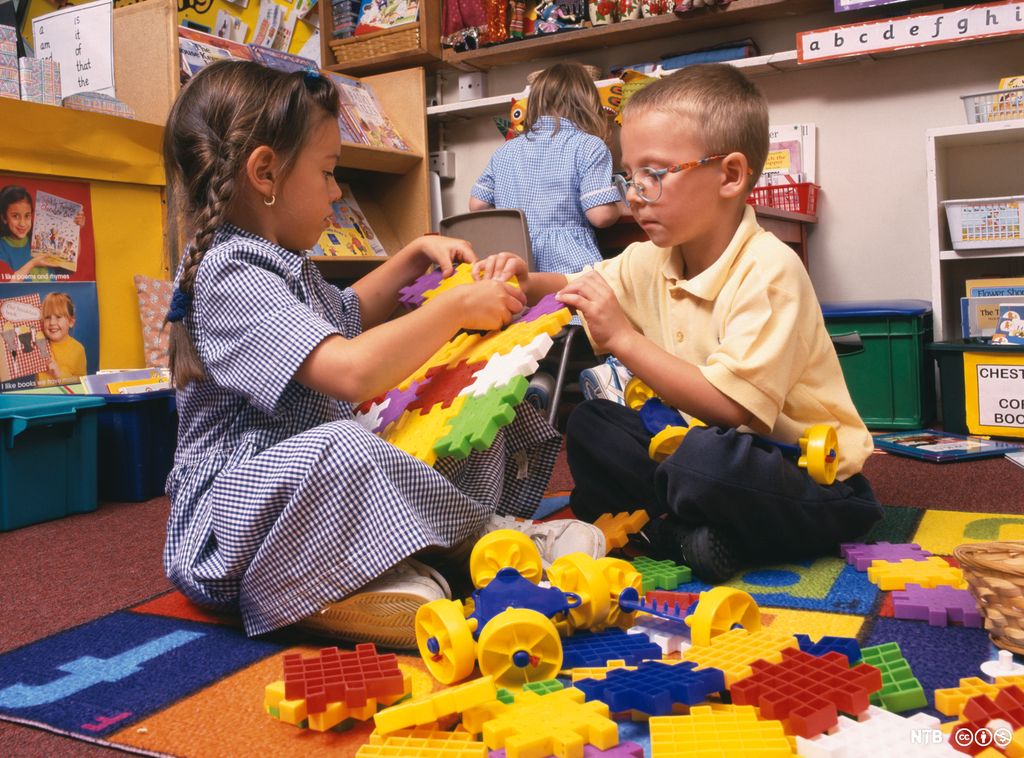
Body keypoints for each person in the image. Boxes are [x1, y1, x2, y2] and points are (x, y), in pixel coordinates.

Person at [160, 60, 604, 648]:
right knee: (345, 444)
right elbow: (350, 370)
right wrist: (454, 309)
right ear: (265, 173)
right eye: (327, 172)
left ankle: (396, 567)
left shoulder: (279, 262)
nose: (335, 191)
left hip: (308, 504)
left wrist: (413, 256)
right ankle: (471, 543)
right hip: (233, 525)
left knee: (462, 406)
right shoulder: (229, 273)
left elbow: (346, 316)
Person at [477, 63, 883, 584]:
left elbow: (730, 408)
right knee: (591, 424)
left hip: (802, 470)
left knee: (707, 461)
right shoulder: (651, 257)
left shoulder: (769, 270)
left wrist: (622, 338)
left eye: (655, 174)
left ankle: (669, 528)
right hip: (691, 447)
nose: (634, 194)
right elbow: (577, 283)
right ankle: (684, 532)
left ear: (730, 176)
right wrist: (523, 280)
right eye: (628, 176)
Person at [469, 62, 622, 275]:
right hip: (568, 265)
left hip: (513, 263)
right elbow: (601, 216)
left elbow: (477, 205)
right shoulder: (589, 145)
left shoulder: (506, 150)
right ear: (588, 104)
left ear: (534, 103)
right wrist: (619, 205)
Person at [0, 185, 84, 281]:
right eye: (15, 216)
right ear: (4, 218)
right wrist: (33, 263)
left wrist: (76, 229)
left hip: (50, 291)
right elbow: (7, 284)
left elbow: (70, 260)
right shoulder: (2, 247)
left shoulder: (40, 240)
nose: (22, 223)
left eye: (27, 216)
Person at [36, 292, 87, 387]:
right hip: (39, 394)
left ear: (71, 322)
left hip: (65, 394)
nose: (52, 322)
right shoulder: (38, 344)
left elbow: (81, 383)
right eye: (47, 317)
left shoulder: (78, 349)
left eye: (58, 317)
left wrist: (59, 374)